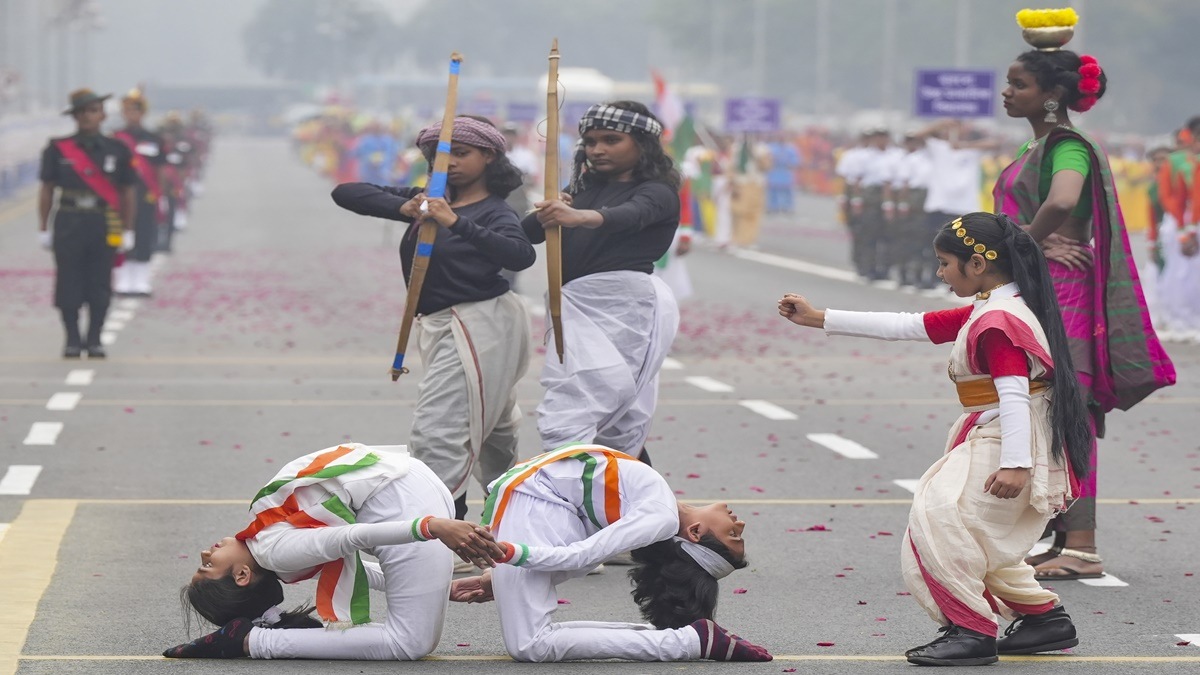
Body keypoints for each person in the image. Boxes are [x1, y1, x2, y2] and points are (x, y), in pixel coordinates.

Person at [780, 212, 1094, 666]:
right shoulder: (993, 308)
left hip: (1007, 437)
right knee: (976, 534)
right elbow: (912, 325)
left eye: (945, 263)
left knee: (939, 522)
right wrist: (818, 318)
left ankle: (971, 630)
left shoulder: (998, 320)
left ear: (977, 264)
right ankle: (1043, 618)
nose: (940, 273)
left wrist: (1016, 464)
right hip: (998, 432)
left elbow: (1013, 395)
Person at [993, 20, 1175, 580]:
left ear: (1051, 95)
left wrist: (1025, 241)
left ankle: (1083, 546)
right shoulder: (1038, 143)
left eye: (1019, 84)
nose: (1007, 92)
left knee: (1068, 411)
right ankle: (1061, 536)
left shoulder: (1066, 145)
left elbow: (1063, 199)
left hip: (1063, 291)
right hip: (1044, 286)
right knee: (1047, 411)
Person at [331, 116, 534, 522]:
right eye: (440, 156)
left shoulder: (494, 210)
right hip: (441, 324)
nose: (449, 163)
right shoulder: (428, 201)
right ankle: (518, 521)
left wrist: (456, 222)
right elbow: (346, 192)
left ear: (489, 156)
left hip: (481, 324)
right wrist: (405, 206)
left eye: (461, 153)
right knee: (493, 434)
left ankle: (445, 531)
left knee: (437, 432)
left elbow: (520, 254)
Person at [162, 443, 503, 660]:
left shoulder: (273, 551)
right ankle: (253, 639)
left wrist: (431, 526)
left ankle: (253, 642)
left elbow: (349, 537)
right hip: (409, 481)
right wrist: (437, 585)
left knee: (409, 643)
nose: (205, 553)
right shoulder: (271, 548)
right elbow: (354, 558)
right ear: (241, 575)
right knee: (413, 637)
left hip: (401, 498)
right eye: (206, 566)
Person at [454, 443, 771, 663]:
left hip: (534, 504)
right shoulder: (660, 510)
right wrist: (508, 567)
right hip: (535, 502)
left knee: (530, 645)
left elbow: (579, 556)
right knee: (531, 643)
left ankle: (689, 640)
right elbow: (579, 555)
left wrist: (508, 556)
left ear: (696, 533)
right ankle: (689, 639)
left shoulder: (660, 513)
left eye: (733, 534)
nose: (739, 522)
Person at [521, 101, 680, 461]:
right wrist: (550, 209)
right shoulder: (581, 188)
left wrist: (579, 216)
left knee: (600, 409)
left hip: (624, 308)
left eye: (611, 140)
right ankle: (605, 488)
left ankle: (602, 486)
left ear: (642, 144)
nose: (597, 150)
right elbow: (527, 234)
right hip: (572, 305)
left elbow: (631, 215)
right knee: (582, 406)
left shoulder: (658, 192)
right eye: (591, 141)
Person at [38, 89, 135, 358]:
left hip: (103, 222)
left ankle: (94, 339)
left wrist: (128, 229)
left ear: (102, 115)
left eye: (93, 111)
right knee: (68, 281)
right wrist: (43, 227)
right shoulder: (57, 149)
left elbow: (127, 192)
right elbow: (47, 189)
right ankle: (71, 338)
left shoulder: (117, 149)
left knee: (100, 281)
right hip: (69, 221)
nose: (87, 117)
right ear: (74, 116)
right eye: (81, 112)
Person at [113, 88, 167, 297]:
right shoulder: (115, 139)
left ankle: (141, 280)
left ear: (143, 113)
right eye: (128, 110)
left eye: (136, 111)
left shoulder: (154, 139)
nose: (132, 115)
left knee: (144, 236)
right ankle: (123, 280)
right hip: (122, 197)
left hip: (146, 196)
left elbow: (160, 170)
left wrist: (160, 195)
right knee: (121, 238)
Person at [1155, 120, 1200, 335]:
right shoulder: (1176, 162)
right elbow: (1171, 198)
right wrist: (1185, 228)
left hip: (1190, 221)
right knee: (1181, 271)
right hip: (1182, 220)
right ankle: (1179, 319)